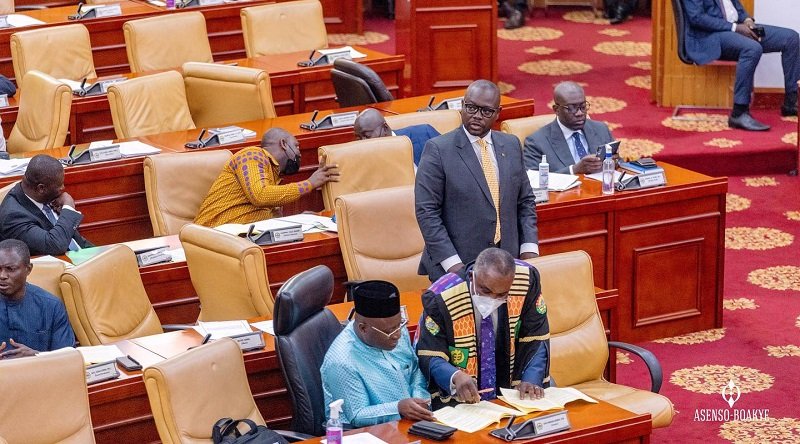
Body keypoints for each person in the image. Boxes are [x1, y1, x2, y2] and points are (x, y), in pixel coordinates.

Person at [415, 79, 539, 282]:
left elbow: (525, 200)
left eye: (486, 111)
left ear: (497, 113)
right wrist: (454, 266)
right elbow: (427, 212)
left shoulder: (511, 144)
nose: (476, 116)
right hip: (458, 268)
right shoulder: (438, 149)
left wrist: (529, 250)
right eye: (471, 108)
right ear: (463, 106)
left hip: (507, 265)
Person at [416, 248, 550, 408]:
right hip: (461, 398)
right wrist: (454, 376)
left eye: (502, 295)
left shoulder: (526, 281)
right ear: (472, 277)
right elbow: (429, 353)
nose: (492, 299)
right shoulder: (440, 298)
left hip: (510, 387)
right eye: (485, 290)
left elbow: (536, 337)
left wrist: (531, 378)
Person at [320, 280, 434, 427]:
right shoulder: (341, 361)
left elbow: (414, 369)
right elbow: (357, 415)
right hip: (368, 434)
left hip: (411, 422)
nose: (398, 335)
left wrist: (420, 400)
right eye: (389, 331)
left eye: (399, 325)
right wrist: (398, 408)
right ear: (363, 328)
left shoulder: (394, 329)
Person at [684, 0, 800, 131]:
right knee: (752, 48)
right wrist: (734, 28)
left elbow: (737, 8)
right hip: (710, 36)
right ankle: (739, 113)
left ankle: (792, 102)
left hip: (735, 29)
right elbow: (697, 18)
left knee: (791, 38)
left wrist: (747, 20)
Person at [195, 128, 340, 227]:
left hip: (241, 237)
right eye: (296, 146)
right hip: (214, 232)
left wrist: (300, 220)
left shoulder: (272, 175)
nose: (299, 154)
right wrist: (309, 184)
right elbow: (260, 195)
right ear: (283, 144)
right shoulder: (252, 155)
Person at [0, 155, 93, 256]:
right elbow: (55, 245)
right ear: (41, 188)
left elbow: (75, 240)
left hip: (82, 254)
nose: (63, 188)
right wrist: (68, 208)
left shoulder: (41, 196)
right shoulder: (13, 217)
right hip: (59, 266)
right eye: (59, 185)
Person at [0, 239, 75, 359]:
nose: (2, 276)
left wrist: (36, 356)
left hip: (41, 373)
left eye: (10, 269)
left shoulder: (51, 306)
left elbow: (67, 357)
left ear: (28, 269)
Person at [523, 81, 614, 174]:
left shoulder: (601, 129)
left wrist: (615, 162)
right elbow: (533, 180)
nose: (580, 113)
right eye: (572, 108)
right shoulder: (536, 142)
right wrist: (574, 170)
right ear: (556, 110)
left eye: (583, 107)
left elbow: (619, 164)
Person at [353, 108, 441, 167]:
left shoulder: (424, 134)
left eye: (367, 136)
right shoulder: (362, 161)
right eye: (359, 139)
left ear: (385, 128)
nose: (363, 142)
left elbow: (451, 163)